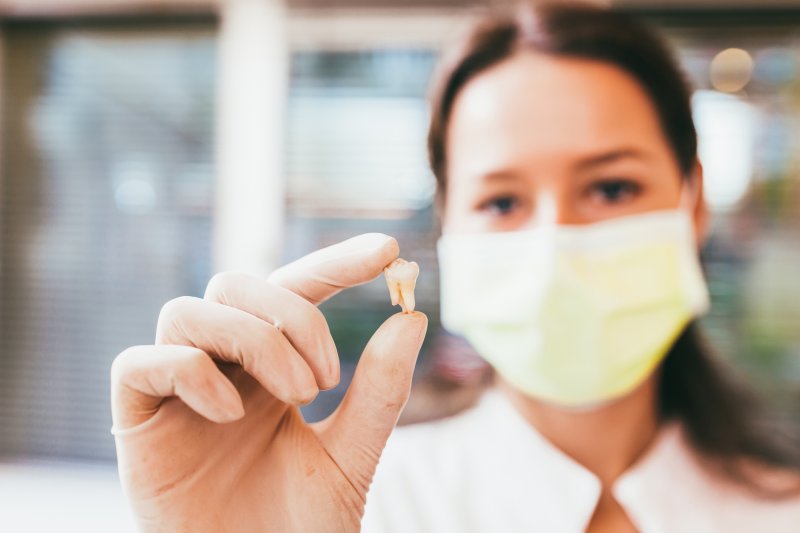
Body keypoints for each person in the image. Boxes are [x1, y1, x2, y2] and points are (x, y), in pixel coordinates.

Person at [110, 2, 800, 532]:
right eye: (502, 200)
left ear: (695, 201)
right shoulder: (365, 506)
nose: (553, 243)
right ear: (448, 226)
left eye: (611, 188)